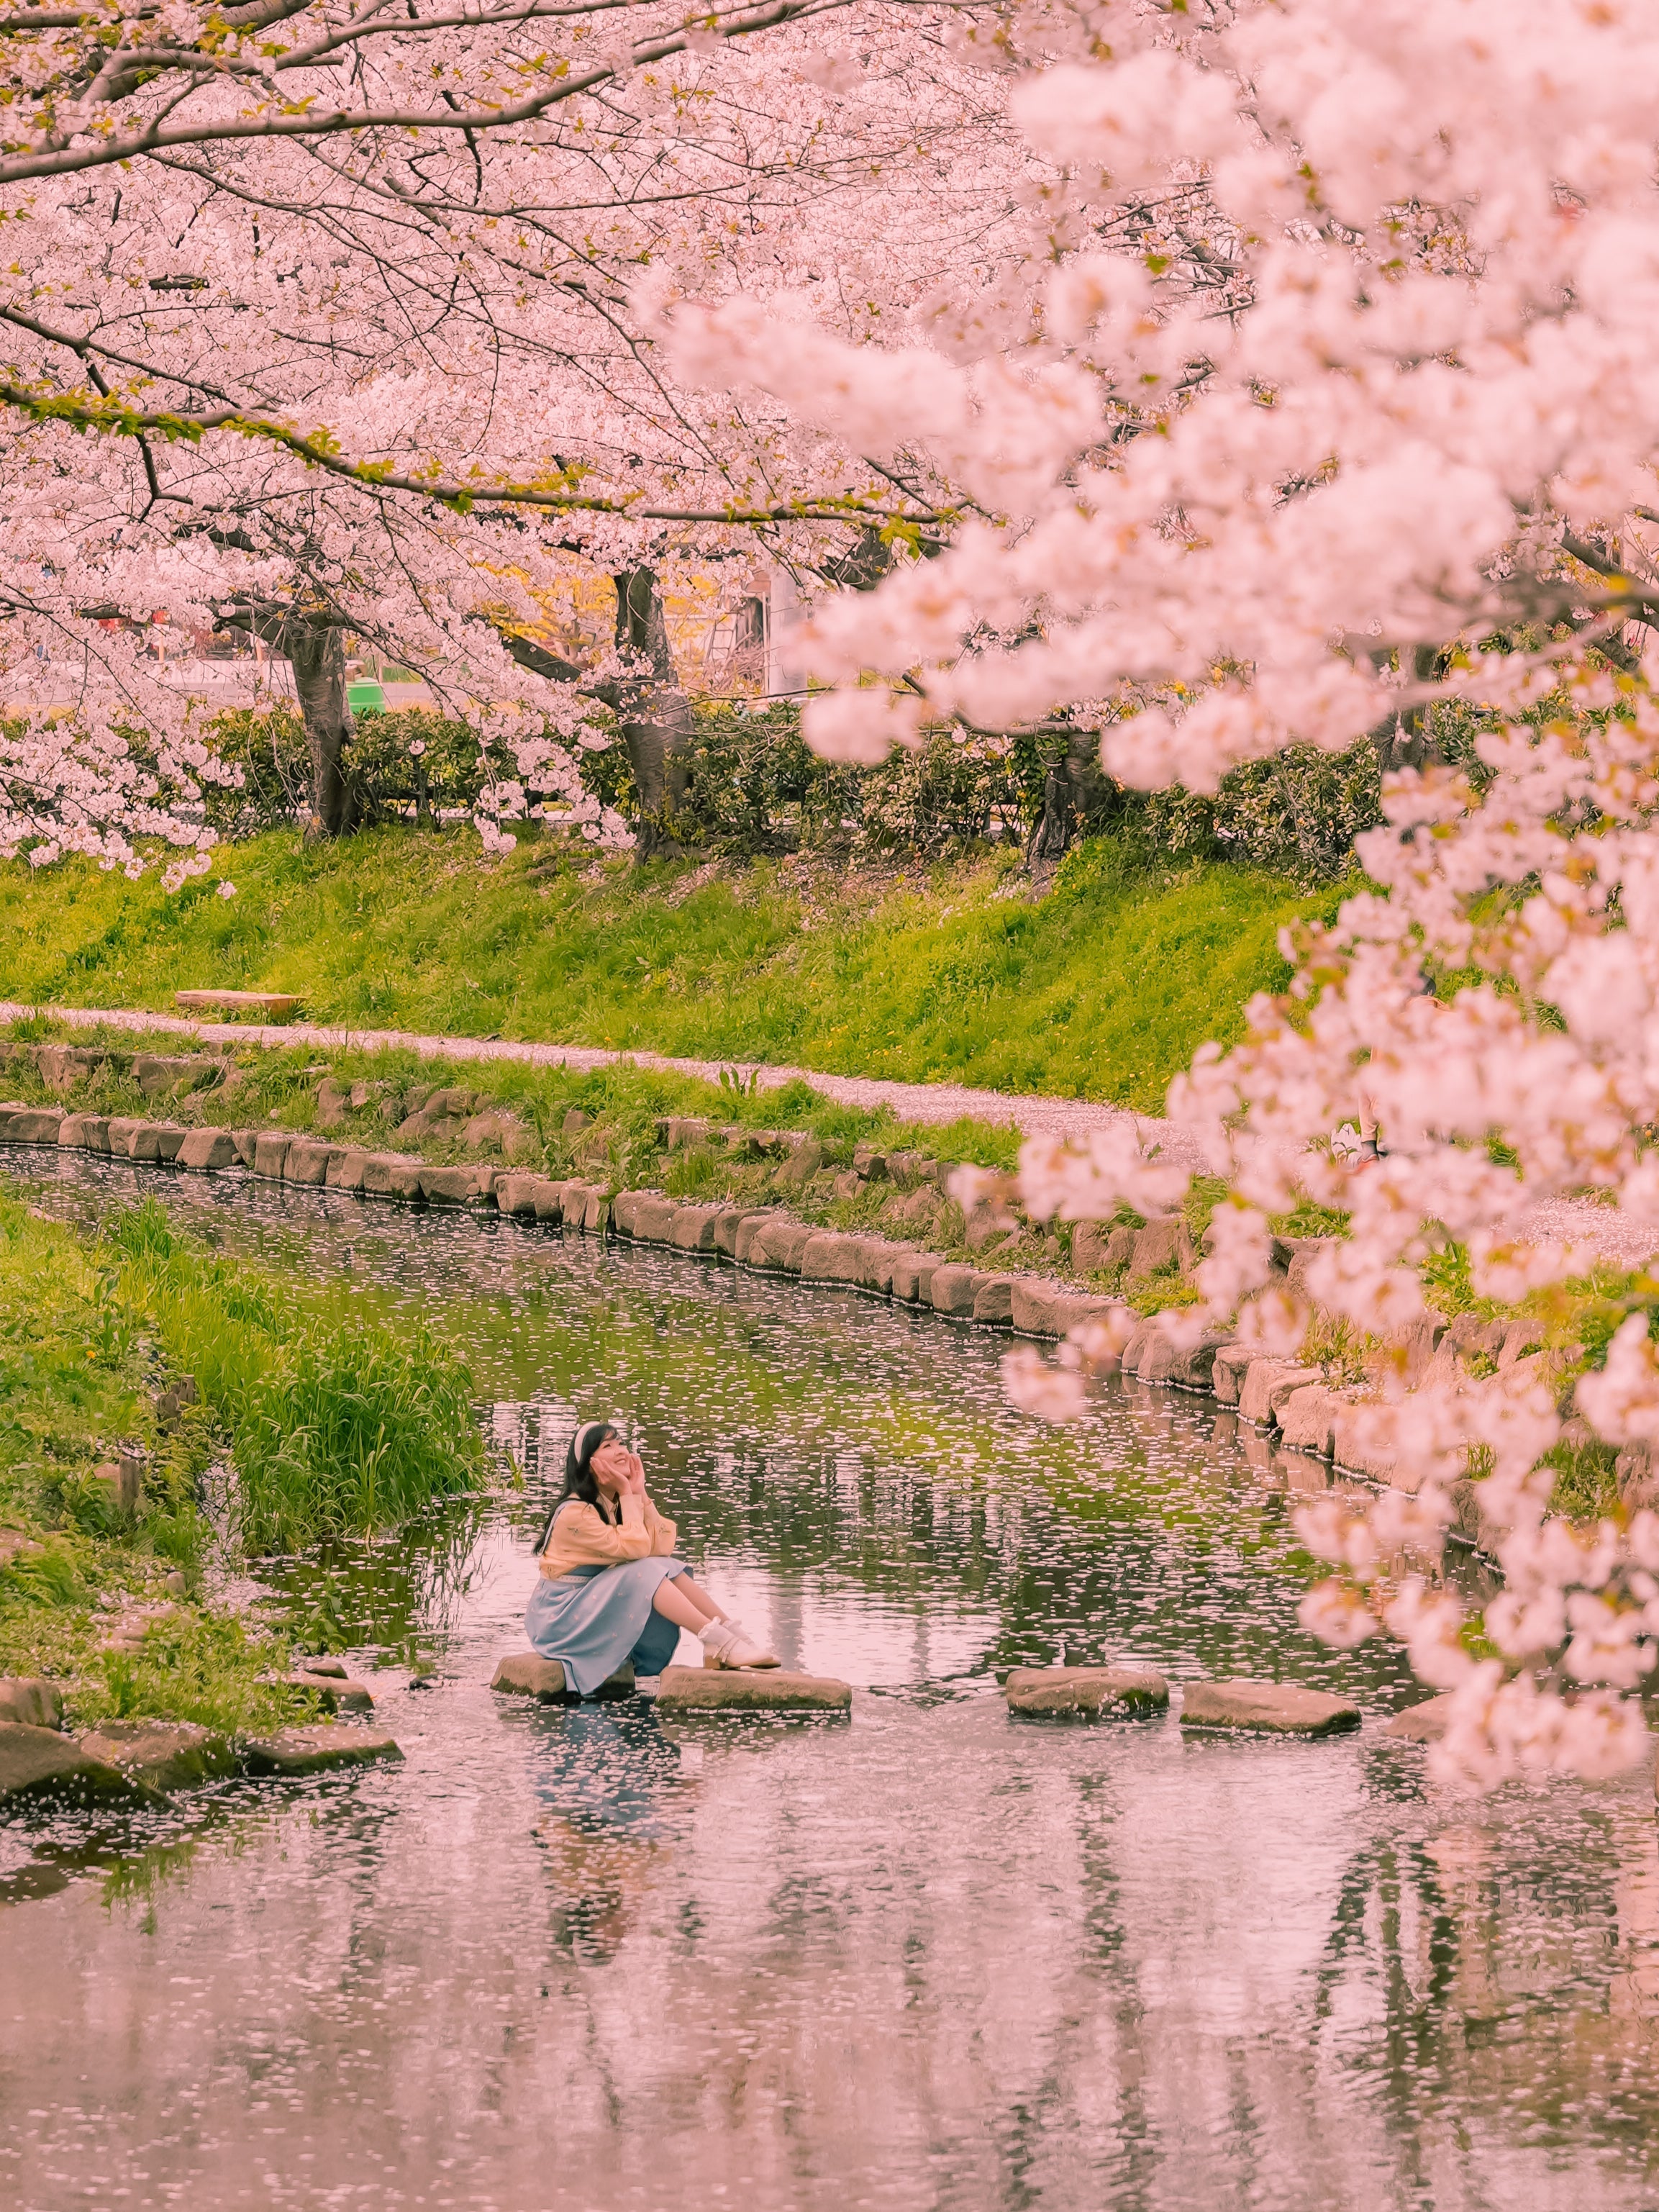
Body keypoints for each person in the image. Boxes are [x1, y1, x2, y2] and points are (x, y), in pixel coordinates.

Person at [525, 1420, 778, 1694]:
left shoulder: (611, 1503)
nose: (621, 1451)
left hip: (587, 1603)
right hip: (560, 1617)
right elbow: (637, 1552)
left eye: (621, 1443)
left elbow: (660, 1549)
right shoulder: (576, 1512)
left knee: (665, 1566)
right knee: (644, 1571)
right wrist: (626, 1491)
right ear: (590, 1464)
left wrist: (638, 1491)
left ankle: (731, 1637)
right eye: (607, 1446)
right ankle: (716, 1640)